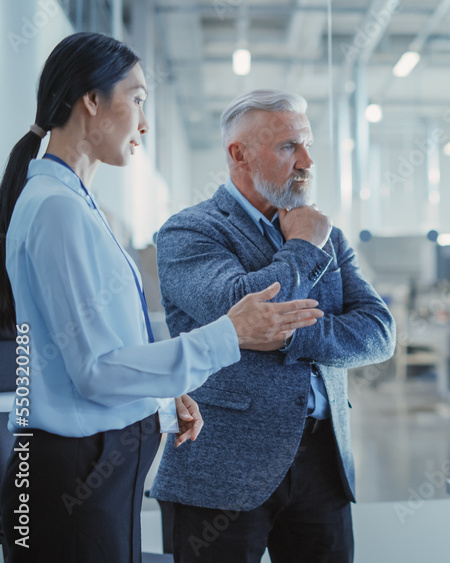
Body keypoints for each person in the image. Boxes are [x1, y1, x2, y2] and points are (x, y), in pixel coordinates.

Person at [0, 34, 324, 562]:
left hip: (91, 468)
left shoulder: (73, 203)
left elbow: (86, 352)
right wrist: (231, 333)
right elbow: (95, 372)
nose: (144, 124)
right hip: (72, 476)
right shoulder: (56, 209)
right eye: (138, 99)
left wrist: (158, 396)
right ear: (91, 101)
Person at [151, 89, 395, 562]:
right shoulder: (190, 231)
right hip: (221, 469)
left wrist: (282, 334)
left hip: (324, 464)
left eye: (306, 145)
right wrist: (303, 247)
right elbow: (240, 305)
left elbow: (378, 331)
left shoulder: (326, 231)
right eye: (288, 147)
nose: (306, 160)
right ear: (238, 154)